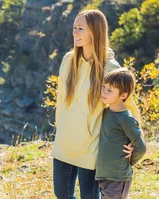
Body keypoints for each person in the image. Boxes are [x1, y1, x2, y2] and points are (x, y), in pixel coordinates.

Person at [51, 10, 142, 199]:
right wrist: (59, 127)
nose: (75, 33)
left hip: (90, 147)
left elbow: (129, 107)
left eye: (80, 29)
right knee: (61, 194)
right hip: (65, 143)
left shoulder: (110, 68)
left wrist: (133, 140)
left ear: (95, 31)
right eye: (74, 28)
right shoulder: (68, 60)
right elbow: (61, 99)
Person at [95, 68, 147, 199]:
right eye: (104, 87)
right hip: (103, 175)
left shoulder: (125, 118)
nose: (103, 92)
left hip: (118, 177)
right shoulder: (105, 112)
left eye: (110, 90)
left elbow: (141, 147)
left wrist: (128, 162)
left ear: (123, 95)